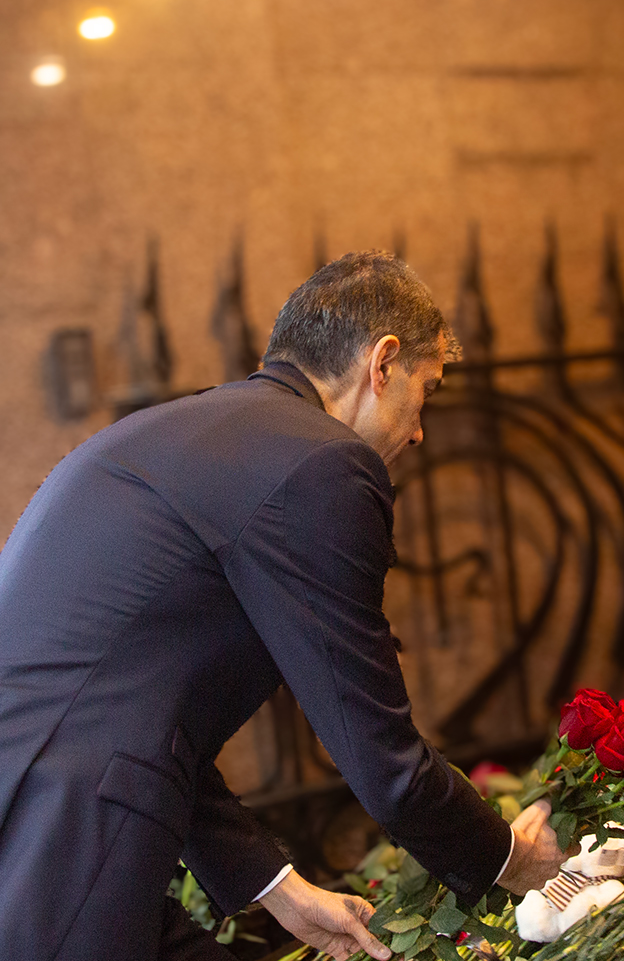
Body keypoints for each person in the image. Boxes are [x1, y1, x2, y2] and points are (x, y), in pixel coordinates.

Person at [0, 251, 569, 959]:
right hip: (58, 837)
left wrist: (277, 885)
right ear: (382, 363)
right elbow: (380, 756)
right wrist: (510, 860)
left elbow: (132, 712)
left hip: (42, 824)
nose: (421, 430)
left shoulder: (194, 430)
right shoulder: (322, 462)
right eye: (427, 391)